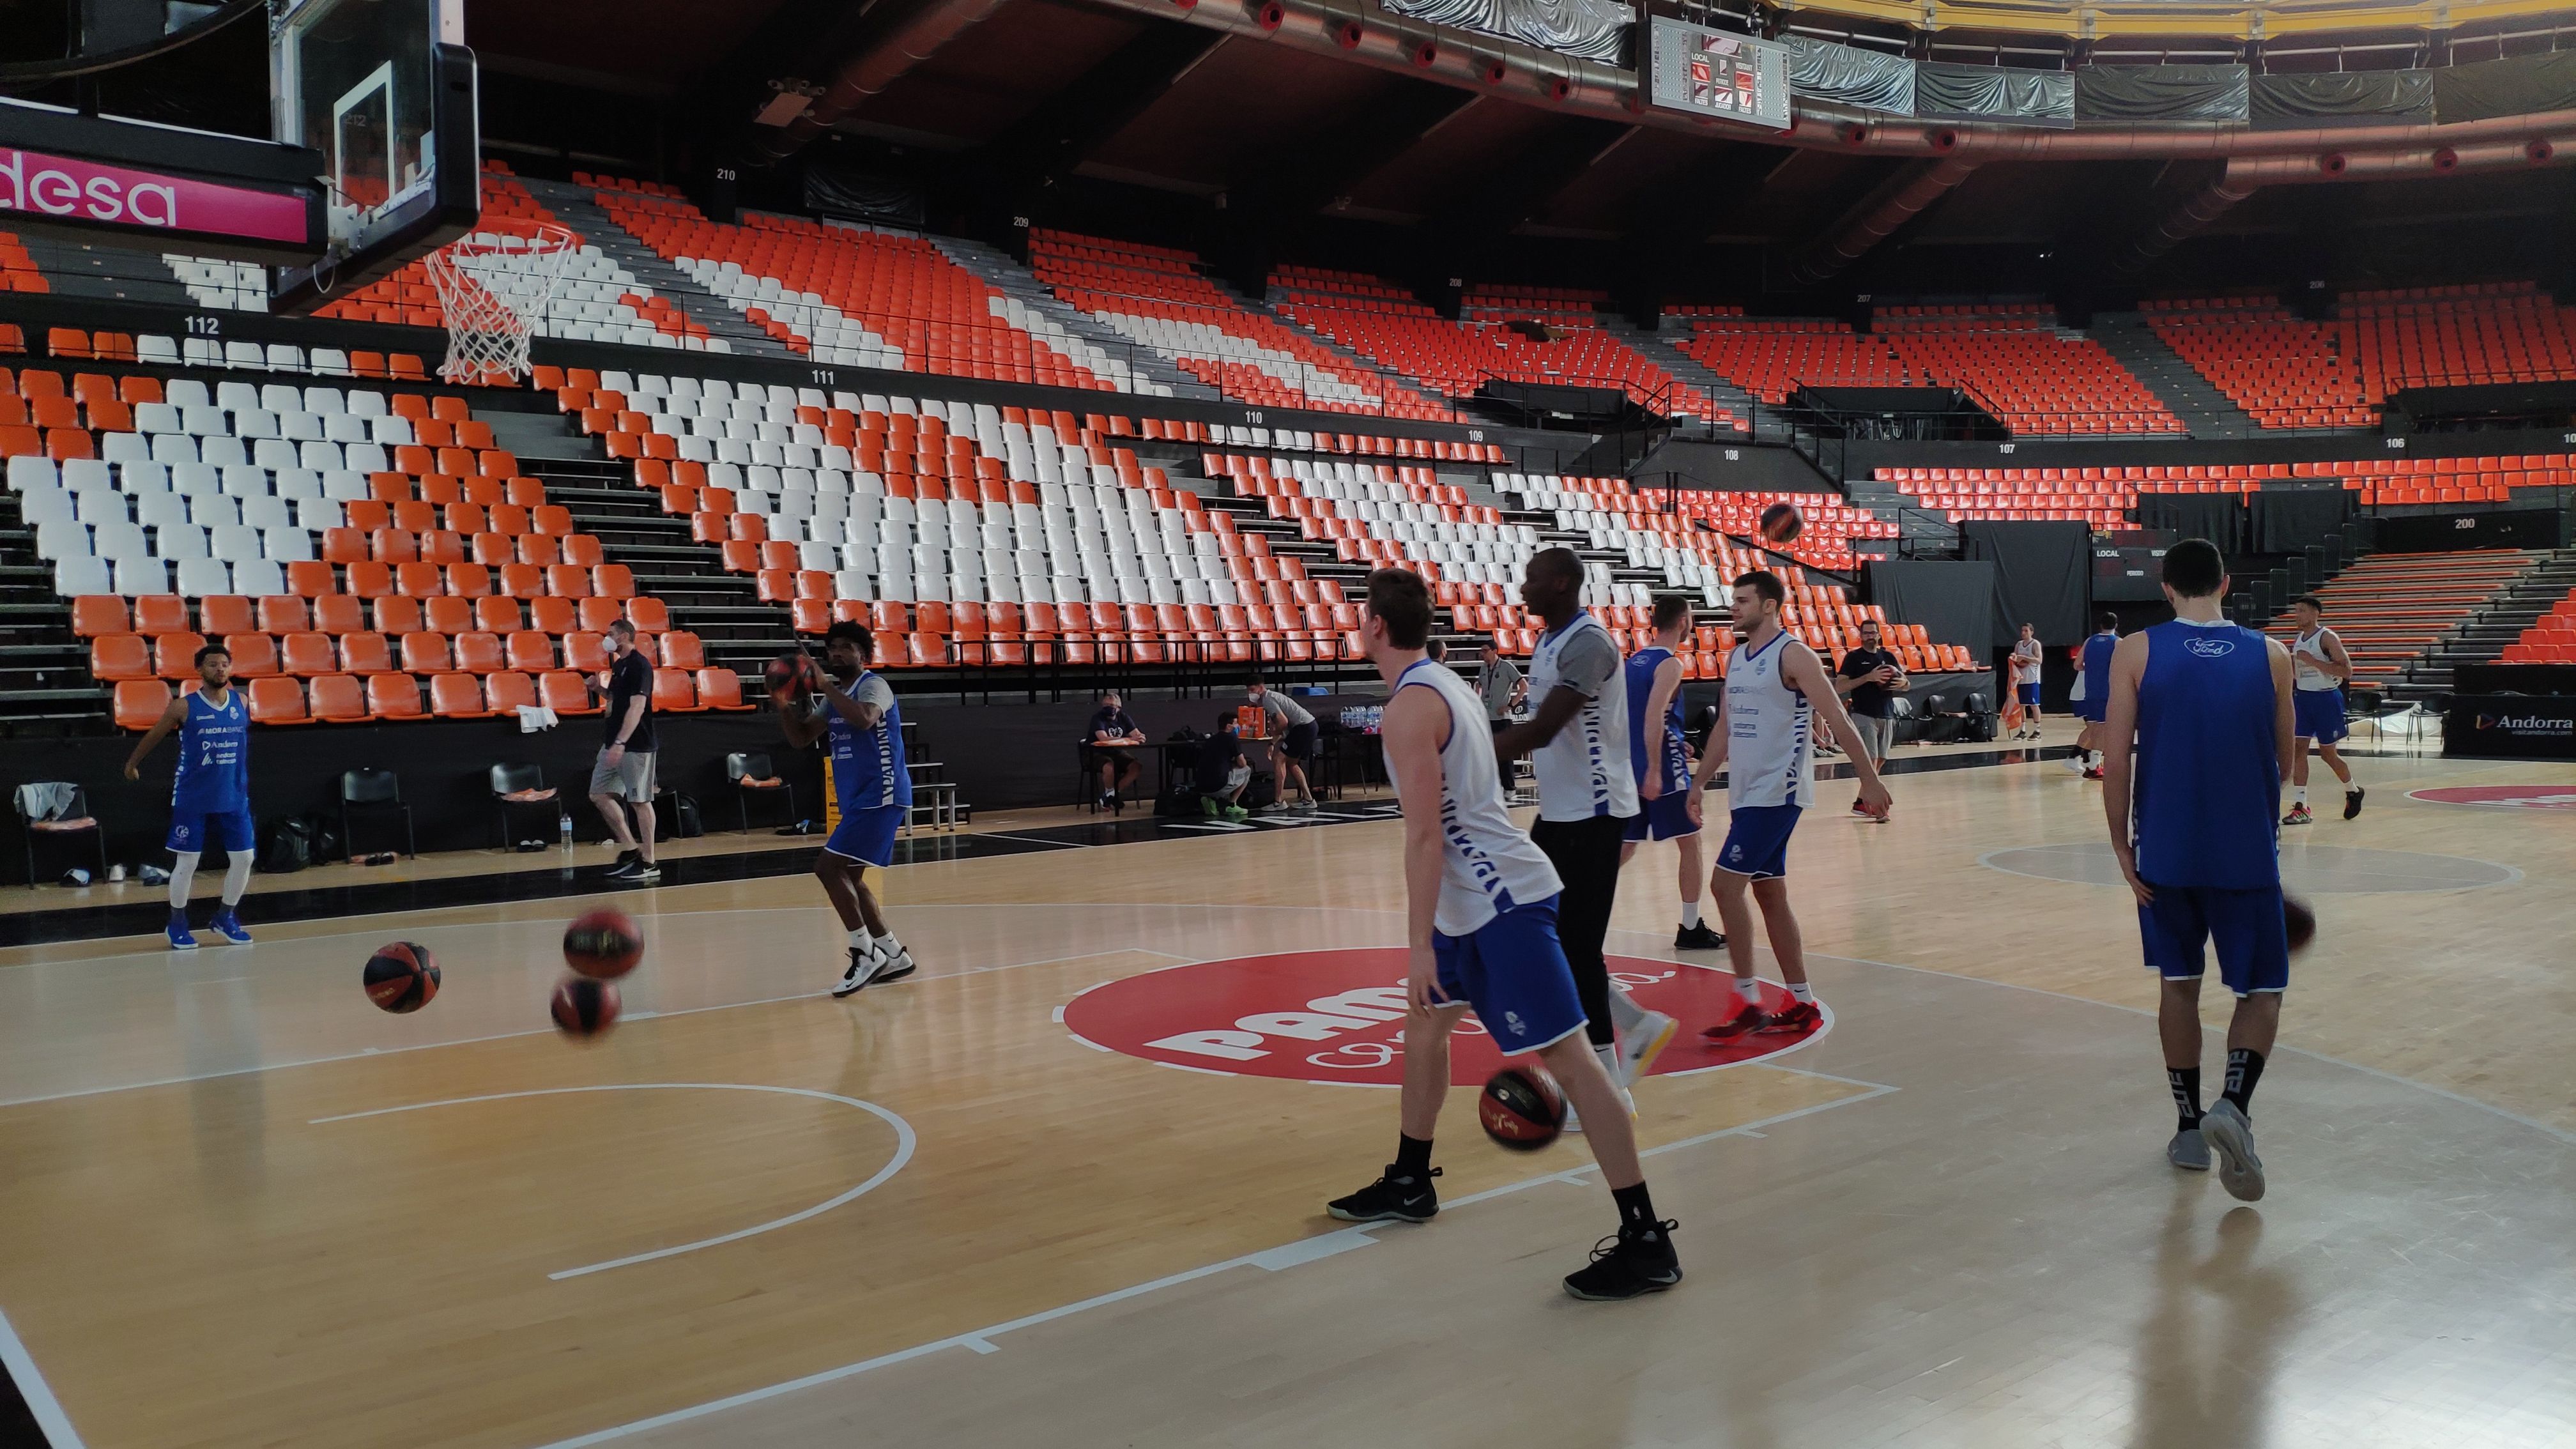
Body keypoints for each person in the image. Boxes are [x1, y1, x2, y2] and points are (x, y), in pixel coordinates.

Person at [1325, 567, 1680, 1301]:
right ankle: (1411, 1178)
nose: (1358, 627)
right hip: (1475, 901)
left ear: (1378, 629)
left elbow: (1425, 838)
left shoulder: (1410, 708)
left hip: (1501, 904)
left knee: (1577, 1065)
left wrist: (1419, 942)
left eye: (1361, 617)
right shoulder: (1447, 683)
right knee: (1424, 1028)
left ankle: (1646, 1239)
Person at [2099, 539, 2295, 1202]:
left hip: (2166, 851)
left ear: (2165, 585)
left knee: (2178, 986)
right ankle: (2232, 1106)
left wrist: (2123, 849)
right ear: (2227, 583)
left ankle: (2188, 1130)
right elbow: (2284, 758)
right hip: (2244, 852)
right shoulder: (2273, 655)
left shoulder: (2137, 650)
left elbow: (2116, 758)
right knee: (2260, 991)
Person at [1493, 548, 1673, 1112]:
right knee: (1535, 930)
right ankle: (1635, 1024)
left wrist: (1464, 749)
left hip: (1595, 815)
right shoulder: (1548, 640)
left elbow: (1546, 729)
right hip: (1561, 815)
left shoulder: (1590, 644)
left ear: (1564, 583)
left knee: (1577, 946)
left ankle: (1610, 1088)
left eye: (1533, 579)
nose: (1523, 589)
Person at [1691, 571, 1894, 1041]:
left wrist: (1870, 779)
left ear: (1769, 606)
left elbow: (1837, 717)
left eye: (1742, 600)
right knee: (1769, 894)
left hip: (1777, 793)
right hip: (1746, 794)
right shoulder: (1737, 658)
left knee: (1724, 887)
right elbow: (1724, 727)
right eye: (1732, 600)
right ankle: (1802, 1003)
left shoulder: (1793, 654)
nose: (1733, 607)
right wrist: (1699, 782)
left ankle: (1746, 1000)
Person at [778, 622, 918, 997]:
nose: (837, 653)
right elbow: (802, 738)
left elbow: (865, 718)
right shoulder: (834, 695)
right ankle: (892, 952)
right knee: (851, 878)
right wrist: (784, 705)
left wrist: (824, 687)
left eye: (846, 648)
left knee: (827, 868)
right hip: (863, 798)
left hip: (882, 793)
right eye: (833, 648)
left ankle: (864, 951)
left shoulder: (874, 686)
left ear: (863, 655)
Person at [123, 642, 255, 949]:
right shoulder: (183, 706)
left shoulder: (243, 702)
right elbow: (154, 734)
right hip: (193, 798)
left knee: (245, 858)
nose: (219, 669)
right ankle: (177, 923)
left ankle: (226, 916)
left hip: (234, 796)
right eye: (212, 664)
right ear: (200, 670)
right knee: (188, 862)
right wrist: (132, 763)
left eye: (224, 664)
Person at [1625, 596, 1722, 952]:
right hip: (1662, 768)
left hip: (1633, 763)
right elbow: (1653, 717)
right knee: (1691, 839)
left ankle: (1576, 905)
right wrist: (1655, 764)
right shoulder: (1669, 665)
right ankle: (1691, 926)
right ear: (1683, 621)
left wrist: (1667, 743)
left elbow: (1633, 720)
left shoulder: (1633, 661)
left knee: (1625, 845)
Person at [590, 618, 659, 883]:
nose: (606, 638)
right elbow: (616, 700)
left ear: (625, 636)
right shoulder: (619, 665)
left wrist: (621, 742)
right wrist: (599, 689)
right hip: (613, 743)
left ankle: (650, 862)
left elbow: (637, 707)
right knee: (598, 794)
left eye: (610, 634)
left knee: (640, 801)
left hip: (636, 745)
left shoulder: (640, 666)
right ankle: (631, 849)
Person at [2283, 595, 2363, 824]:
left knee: (2329, 755)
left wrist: (2312, 661)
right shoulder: (2298, 639)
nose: (2297, 615)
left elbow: (2347, 671)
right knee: (2299, 749)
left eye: (2301, 610)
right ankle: (2302, 806)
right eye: (2296, 610)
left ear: (2314, 613)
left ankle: (2353, 791)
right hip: (2304, 699)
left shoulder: (2327, 637)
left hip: (2326, 699)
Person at [1832, 617, 1907, 790]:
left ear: (1879, 635)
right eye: (1866, 633)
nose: (1869, 636)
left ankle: (1864, 799)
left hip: (1887, 713)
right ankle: (1873, 802)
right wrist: (1868, 677)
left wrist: (1903, 684)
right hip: (1864, 714)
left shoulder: (1888, 657)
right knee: (1871, 759)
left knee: (1881, 758)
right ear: (1861, 636)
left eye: (1873, 633)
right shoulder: (1853, 657)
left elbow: (1906, 683)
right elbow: (1840, 686)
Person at [1246, 678, 1317, 813]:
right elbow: (1281, 726)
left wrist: (1273, 738)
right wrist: (1272, 742)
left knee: (1279, 759)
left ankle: (1278, 802)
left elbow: (1282, 723)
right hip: (1310, 726)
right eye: (1248, 691)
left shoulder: (1268, 699)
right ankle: (1309, 799)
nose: (1250, 693)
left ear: (1261, 688)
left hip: (1303, 727)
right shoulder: (1271, 698)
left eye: (1252, 690)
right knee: (1291, 764)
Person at [2071, 612, 2120, 780]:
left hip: (2089, 691)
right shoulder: (2118, 643)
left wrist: (2093, 668)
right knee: (2103, 729)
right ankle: (2093, 766)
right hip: (2107, 692)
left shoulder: (2090, 641)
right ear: (2116, 625)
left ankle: (2089, 763)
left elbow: (2077, 665)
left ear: (2100, 625)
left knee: (2094, 728)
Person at [1088, 690, 1146, 812]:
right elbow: (1103, 738)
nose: (1108, 708)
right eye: (1105, 706)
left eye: (1111, 706)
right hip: (1097, 752)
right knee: (1109, 767)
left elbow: (1136, 734)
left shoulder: (1123, 717)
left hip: (1116, 751)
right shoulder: (1097, 718)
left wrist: (1140, 737)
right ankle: (1110, 795)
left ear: (1119, 707)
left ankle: (1111, 796)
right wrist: (1129, 738)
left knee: (1136, 766)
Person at [1197, 712, 1251, 820]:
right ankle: (1232, 805)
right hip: (1219, 786)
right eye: (1236, 723)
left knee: (1220, 772)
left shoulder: (1210, 740)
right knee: (1247, 770)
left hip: (1201, 786)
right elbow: (1242, 764)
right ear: (1228, 726)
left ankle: (1210, 800)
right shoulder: (1232, 738)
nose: (1237, 726)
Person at [1477, 638, 1527, 734]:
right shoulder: (1483, 668)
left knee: (1503, 748)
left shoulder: (1506, 666)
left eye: (1485, 651)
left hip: (1501, 718)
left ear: (1495, 651)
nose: (1482, 654)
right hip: (1486, 717)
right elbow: (1479, 686)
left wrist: (1510, 706)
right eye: (1481, 651)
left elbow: (1524, 686)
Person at [2009, 622, 2045, 740]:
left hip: (2032, 678)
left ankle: (2037, 731)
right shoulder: (2019, 644)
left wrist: (2024, 658)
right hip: (2021, 678)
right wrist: (2013, 657)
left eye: (2026, 631)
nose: (2023, 633)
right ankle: (2022, 731)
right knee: (2021, 705)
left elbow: (2039, 660)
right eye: (2022, 631)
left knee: (2034, 705)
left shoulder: (2035, 644)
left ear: (2032, 632)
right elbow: (2016, 657)